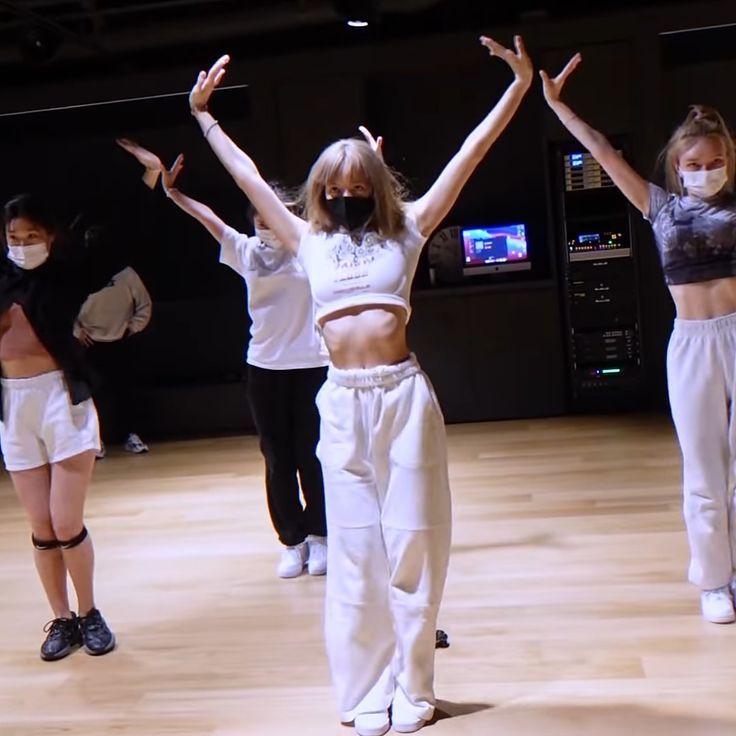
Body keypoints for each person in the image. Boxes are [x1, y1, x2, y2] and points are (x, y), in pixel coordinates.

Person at [189, 34, 532, 735]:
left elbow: (469, 155)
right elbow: (250, 179)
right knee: (352, 551)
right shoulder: (305, 240)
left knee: (414, 542)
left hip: (402, 397)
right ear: (319, 194)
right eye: (334, 190)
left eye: (357, 188)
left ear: (375, 189)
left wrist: (518, 88)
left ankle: (415, 684)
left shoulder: (404, 232)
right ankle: (364, 687)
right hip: (341, 403)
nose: (346, 197)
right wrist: (206, 119)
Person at [540, 54, 736, 624]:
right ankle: (713, 580)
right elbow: (602, 150)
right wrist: (558, 106)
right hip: (693, 343)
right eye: (696, 162)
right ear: (678, 167)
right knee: (703, 465)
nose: (707, 169)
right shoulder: (660, 207)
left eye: (718, 161)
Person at [116, 138, 330, 578]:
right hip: (265, 369)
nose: (266, 223)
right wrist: (173, 192)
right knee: (277, 456)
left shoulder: (312, 246)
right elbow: (209, 219)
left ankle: (321, 535)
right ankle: (291, 541)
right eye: (259, 216)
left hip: (313, 365)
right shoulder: (246, 250)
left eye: (274, 214)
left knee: (315, 454)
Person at [75, 228, 153, 457]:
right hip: (88, 343)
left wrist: (133, 326)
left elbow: (144, 305)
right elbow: (63, 306)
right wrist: (76, 330)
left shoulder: (126, 275)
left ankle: (131, 434)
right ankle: (95, 440)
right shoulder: (79, 273)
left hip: (120, 341)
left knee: (125, 391)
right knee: (91, 393)